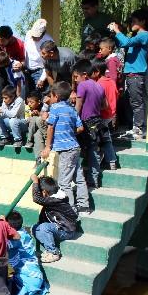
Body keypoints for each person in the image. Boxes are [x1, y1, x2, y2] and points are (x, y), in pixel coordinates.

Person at [40, 82, 90, 214]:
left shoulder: (55, 108)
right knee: (78, 177)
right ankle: (84, 205)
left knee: (64, 182)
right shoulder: (72, 109)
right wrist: (68, 131)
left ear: (55, 96)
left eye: (51, 96)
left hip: (66, 150)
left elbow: (50, 127)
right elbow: (80, 128)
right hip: (75, 147)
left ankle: (70, 209)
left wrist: (47, 147)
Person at [72, 59, 117, 186]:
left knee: (79, 151)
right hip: (97, 121)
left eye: (76, 77)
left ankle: (77, 180)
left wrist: (74, 120)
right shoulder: (99, 85)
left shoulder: (82, 86)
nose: (75, 80)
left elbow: (78, 107)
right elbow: (105, 105)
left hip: (85, 122)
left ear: (84, 74)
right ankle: (94, 180)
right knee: (94, 151)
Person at [111, 9, 148, 140]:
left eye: (134, 21)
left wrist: (118, 31)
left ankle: (139, 129)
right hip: (132, 74)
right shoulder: (136, 36)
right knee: (134, 102)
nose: (131, 23)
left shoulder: (144, 35)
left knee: (137, 102)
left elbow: (126, 43)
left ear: (143, 21)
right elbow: (124, 43)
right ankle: (137, 127)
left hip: (136, 74)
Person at [3, 210, 47, 295]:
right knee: (5, 289)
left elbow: (0, 245)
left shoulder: (17, 239)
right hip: (23, 276)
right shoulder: (23, 232)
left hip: (31, 279)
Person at [31, 174, 79, 263]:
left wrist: (35, 182)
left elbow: (37, 198)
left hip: (67, 230)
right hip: (60, 227)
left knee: (43, 228)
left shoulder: (56, 200)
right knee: (35, 228)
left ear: (44, 192)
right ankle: (49, 247)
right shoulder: (54, 198)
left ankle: (53, 253)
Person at [24, 19, 53, 93]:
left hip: (40, 71)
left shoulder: (49, 41)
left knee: (40, 94)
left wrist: (42, 78)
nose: (33, 38)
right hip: (27, 70)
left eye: (36, 37)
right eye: (33, 36)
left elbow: (49, 63)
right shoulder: (28, 34)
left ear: (43, 34)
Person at [93, 60, 119, 131]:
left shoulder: (97, 84)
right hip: (111, 115)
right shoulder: (111, 81)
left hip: (103, 115)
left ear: (97, 72)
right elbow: (116, 96)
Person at [23, 90, 50, 157]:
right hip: (33, 127)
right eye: (28, 102)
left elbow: (45, 115)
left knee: (37, 133)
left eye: (31, 102)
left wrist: (39, 113)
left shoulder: (44, 106)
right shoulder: (27, 107)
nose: (29, 104)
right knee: (33, 121)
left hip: (43, 128)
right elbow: (26, 119)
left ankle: (30, 141)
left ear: (38, 102)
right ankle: (38, 158)